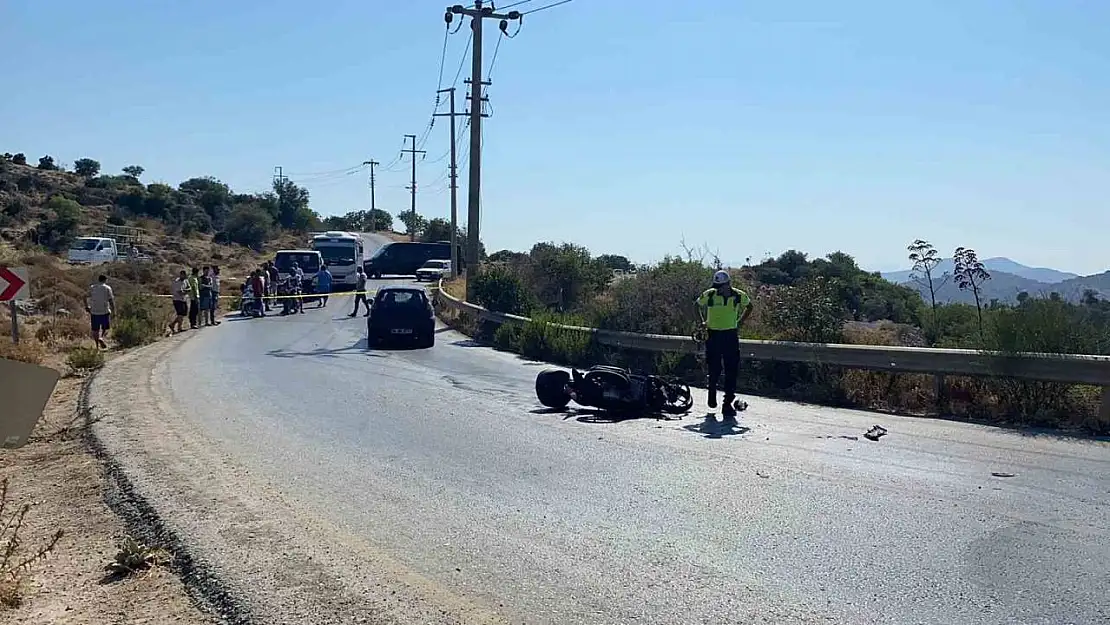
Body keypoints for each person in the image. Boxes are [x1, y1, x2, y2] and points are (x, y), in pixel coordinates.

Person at [695, 270, 753, 417]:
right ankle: (712, 391)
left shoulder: (738, 295)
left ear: (728, 284)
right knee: (714, 367)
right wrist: (701, 323)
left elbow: (750, 306)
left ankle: (727, 403)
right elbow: (696, 305)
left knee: (731, 369)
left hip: (730, 335)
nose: (718, 288)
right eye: (717, 285)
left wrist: (740, 322)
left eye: (721, 286)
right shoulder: (710, 294)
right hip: (713, 335)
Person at [85, 274, 115, 349]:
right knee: (105, 327)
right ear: (105, 280)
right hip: (104, 311)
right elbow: (111, 300)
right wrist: (114, 310)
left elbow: (84, 296)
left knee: (95, 329)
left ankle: (97, 346)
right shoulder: (108, 288)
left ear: (98, 280)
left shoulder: (92, 287)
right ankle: (101, 337)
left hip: (94, 311)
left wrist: (86, 306)